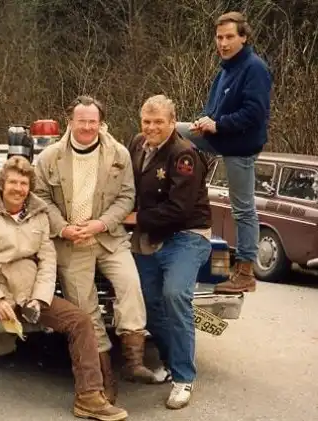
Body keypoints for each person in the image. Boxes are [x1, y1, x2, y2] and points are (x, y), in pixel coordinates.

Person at [0, 156, 128, 421]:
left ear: (29, 187)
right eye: (13, 182)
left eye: (24, 183)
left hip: (30, 292)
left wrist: (39, 299)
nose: (18, 188)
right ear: (2, 184)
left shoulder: (39, 214)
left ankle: (89, 397)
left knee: (81, 321)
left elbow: (48, 260)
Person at [33, 95, 156, 403]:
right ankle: (103, 377)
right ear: (70, 122)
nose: (87, 127)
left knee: (131, 287)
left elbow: (127, 197)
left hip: (109, 237)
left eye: (93, 121)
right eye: (81, 121)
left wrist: (101, 223)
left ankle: (134, 361)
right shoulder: (49, 158)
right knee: (85, 311)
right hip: (71, 242)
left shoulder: (119, 154)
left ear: (101, 123)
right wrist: (63, 228)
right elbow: (40, 198)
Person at [176, 11, 272, 293]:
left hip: (240, 146)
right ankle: (180, 192)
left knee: (243, 208)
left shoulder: (255, 68)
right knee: (172, 130)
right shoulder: (226, 69)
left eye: (230, 37)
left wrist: (218, 125)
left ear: (244, 38)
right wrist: (204, 120)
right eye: (219, 37)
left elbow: (254, 114)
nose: (223, 43)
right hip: (218, 136)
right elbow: (215, 108)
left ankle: (245, 271)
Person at [128, 94, 213, 409]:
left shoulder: (183, 154)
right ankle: (168, 359)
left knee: (175, 295)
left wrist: (135, 218)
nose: (151, 127)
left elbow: (180, 210)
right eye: (146, 121)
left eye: (159, 122)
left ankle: (183, 378)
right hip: (150, 235)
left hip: (186, 234)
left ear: (173, 122)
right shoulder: (137, 144)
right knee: (146, 301)